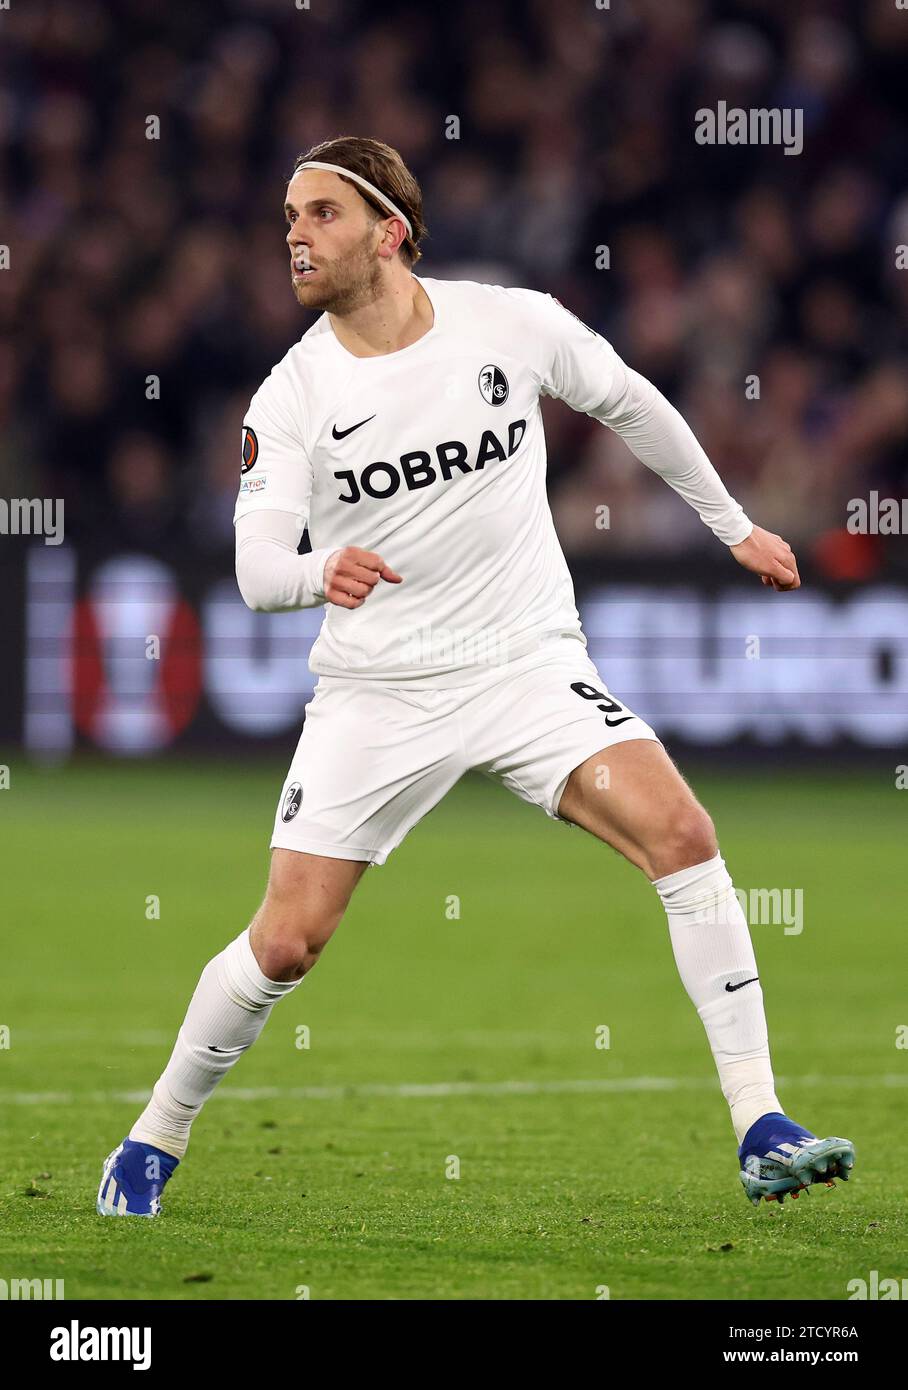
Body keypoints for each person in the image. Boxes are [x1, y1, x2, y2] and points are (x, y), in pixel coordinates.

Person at [97, 136, 854, 1218]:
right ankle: (154, 1134)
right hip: (378, 692)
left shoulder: (511, 323)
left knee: (682, 835)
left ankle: (758, 1121)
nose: (294, 238)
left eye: (318, 215)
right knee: (287, 940)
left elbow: (630, 400)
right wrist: (320, 570)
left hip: (524, 665)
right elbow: (256, 567)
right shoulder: (293, 395)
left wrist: (730, 526)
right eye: (287, 219)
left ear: (387, 232)